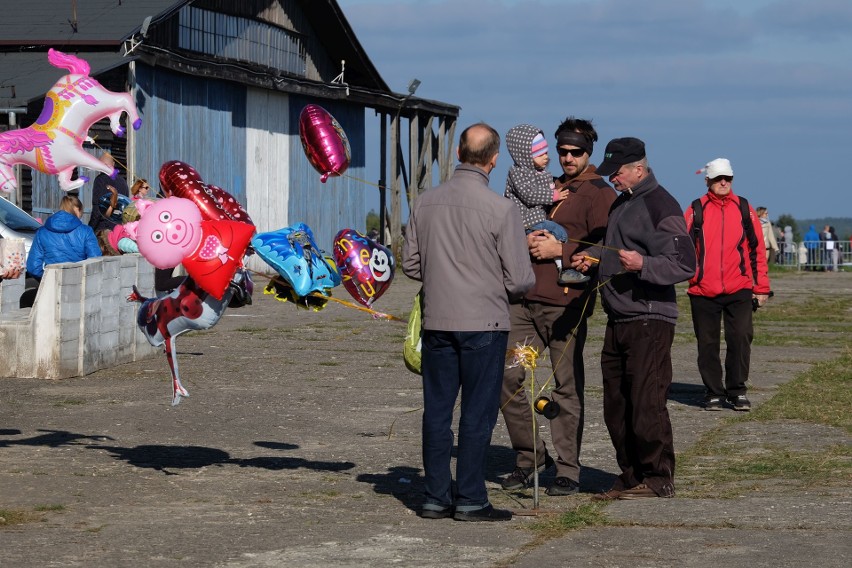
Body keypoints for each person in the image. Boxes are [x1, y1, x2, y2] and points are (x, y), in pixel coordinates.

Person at [402, 123, 535, 522]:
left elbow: (410, 264)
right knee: (477, 414)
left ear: (459, 152)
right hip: (484, 324)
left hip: (439, 321)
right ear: (494, 159)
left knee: (437, 412)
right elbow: (519, 279)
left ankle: (435, 495)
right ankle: (472, 498)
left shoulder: (425, 202)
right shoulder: (501, 208)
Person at [570, 137, 696, 500]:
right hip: (619, 317)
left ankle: (657, 477)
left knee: (646, 402)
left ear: (639, 169)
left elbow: (685, 263)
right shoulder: (624, 203)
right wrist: (592, 257)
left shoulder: (660, 204)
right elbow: (616, 246)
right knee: (616, 405)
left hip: (650, 319)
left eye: (618, 173)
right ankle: (630, 474)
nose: (612, 179)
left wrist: (644, 265)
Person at [500, 117, 615, 496]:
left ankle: (568, 468)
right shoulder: (542, 182)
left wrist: (560, 251)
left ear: (588, 152)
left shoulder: (599, 193)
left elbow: (608, 250)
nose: (566, 157)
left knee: (565, 386)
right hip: (523, 304)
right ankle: (531, 456)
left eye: (575, 152)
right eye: (562, 150)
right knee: (509, 379)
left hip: (566, 307)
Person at [685, 159, 771, 412]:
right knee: (707, 343)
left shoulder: (745, 208)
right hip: (703, 290)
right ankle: (713, 391)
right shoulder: (694, 210)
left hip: (739, 288)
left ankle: (737, 390)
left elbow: (757, 250)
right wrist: (691, 277)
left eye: (728, 178)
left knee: (741, 338)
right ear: (707, 181)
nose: (724, 182)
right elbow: (683, 248)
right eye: (718, 178)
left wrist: (762, 287)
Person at [504, 124, 588, 285]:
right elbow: (529, 194)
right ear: (526, 156)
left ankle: (563, 268)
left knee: (552, 237)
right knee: (559, 233)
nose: (545, 157)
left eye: (546, 153)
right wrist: (554, 195)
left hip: (534, 221)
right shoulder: (517, 173)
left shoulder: (538, 173)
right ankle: (564, 267)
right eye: (539, 154)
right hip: (528, 221)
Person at [26, 195, 102, 279]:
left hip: (52, 283)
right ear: (78, 210)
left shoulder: (42, 232)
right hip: (79, 282)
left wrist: (47, 280)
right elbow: (95, 261)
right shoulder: (86, 231)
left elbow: (33, 267)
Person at [88, 152, 129, 233]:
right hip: (118, 228)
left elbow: (97, 208)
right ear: (113, 164)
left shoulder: (100, 180)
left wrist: (90, 228)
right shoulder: (123, 181)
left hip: (104, 228)